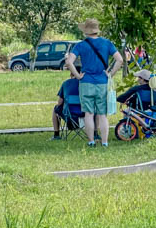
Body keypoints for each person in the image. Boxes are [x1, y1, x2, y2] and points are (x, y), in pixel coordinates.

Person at [64, 19, 123, 148]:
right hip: (102, 82)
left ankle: (91, 142)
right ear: (97, 30)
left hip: (86, 83)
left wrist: (78, 75)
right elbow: (120, 60)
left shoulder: (80, 45)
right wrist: (111, 74)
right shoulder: (107, 43)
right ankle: (105, 142)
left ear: (86, 31)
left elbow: (69, 62)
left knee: (88, 114)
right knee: (102, 114)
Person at [51, 70, 82, 140]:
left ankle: (56, 134)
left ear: (71, 74)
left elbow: (59, 103)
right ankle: (95, 134)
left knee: (55, 109)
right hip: (84, 114)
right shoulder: (85, 84)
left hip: (68, 114)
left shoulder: (66, 83)